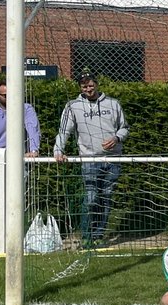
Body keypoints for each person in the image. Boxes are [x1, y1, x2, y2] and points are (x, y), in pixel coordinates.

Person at [53, 74, 128, 244]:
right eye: (84, 87)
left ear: (97, 84)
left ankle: (98, 236)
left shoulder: (113, 104)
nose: (88, 89)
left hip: (113, 159)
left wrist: (116, 138)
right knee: (91, 197)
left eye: (91, 86)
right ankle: (86, 237)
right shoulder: (73, 106)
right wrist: (58, 150)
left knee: (106, 197)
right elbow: (64, 131)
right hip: (89, 158)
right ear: (80, 88)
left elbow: (124, 128)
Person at [0, 80, 40, 191]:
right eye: (6, 95)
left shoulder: (26, 109)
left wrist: (34, 150)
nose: (11, 97)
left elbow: (33, 129)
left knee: (18, 195)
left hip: (19, 159)